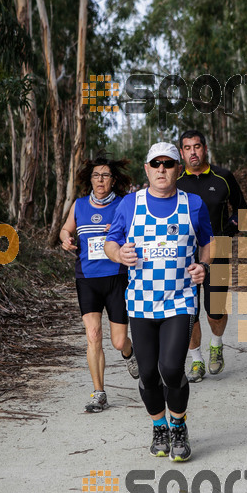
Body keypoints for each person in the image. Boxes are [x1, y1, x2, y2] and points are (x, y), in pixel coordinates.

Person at [104, 142, 213, 461]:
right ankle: (159, 426)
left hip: (179, 301)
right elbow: (111, 240)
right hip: (141, 303)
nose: (162, 169)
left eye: (168, 163)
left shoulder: (193, 204)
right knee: (149, 373)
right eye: (156, 164)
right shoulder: (129, 204)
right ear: (147, 169)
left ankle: (178, 425)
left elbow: (207, 241)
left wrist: (203, 266)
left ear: (179, 168)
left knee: (170, 367)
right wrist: (119, 254)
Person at [60, 155, 139, 413]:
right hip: (87, 279)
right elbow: (65, 230)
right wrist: (66, 239)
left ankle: (129, 352)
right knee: (93, 335)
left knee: (118, 341)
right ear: (90, 179)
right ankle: (99, 392)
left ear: (113, 180)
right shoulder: (79, 206)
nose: (101, 179)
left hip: (116, 277)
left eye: (105, 175)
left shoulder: (124, 205)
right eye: (96, 175)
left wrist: (118, 232)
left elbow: (138, 234)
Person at [177, 129, 246, 383]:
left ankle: (216, 344)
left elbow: (243, 211)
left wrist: (224, 235)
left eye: (197, 146)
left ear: (205, 148)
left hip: (218, 252)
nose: (192, 152)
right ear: (181, 152)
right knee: (188, 312)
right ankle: (196, 361)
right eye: (187, 148)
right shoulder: (176, 182)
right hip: (184, 257)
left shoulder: (224, 177)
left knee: (214, 311)